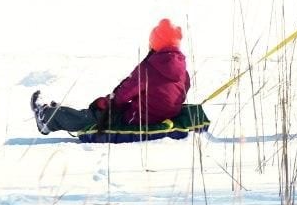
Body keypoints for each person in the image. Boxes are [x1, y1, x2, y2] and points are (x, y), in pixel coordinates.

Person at [31, 18, 191, 135]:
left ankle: (47, 118)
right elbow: (183, 91)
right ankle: (59, 113)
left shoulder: (149, 67)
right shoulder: (183, 69)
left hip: (139, 119)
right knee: (114, 110)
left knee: (98, 117)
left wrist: (107, 103)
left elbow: (124, 93)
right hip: (162, 115)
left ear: (155, 43)